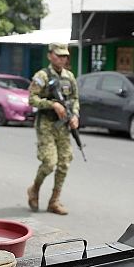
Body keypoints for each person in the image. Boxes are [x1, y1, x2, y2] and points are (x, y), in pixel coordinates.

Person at [26, 42, 80, 215]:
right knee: (49, 163)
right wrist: (52, 105)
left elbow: (75, 99)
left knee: (64, 163)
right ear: (50, 55)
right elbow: (32, 99)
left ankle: (54, 201)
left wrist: (75, 116)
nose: (62, 59)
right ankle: (34, 188)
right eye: (59, 55)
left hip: (63, 126)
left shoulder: (69, 77)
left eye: (65, 56)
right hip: (46, 125)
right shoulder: (42, 76)